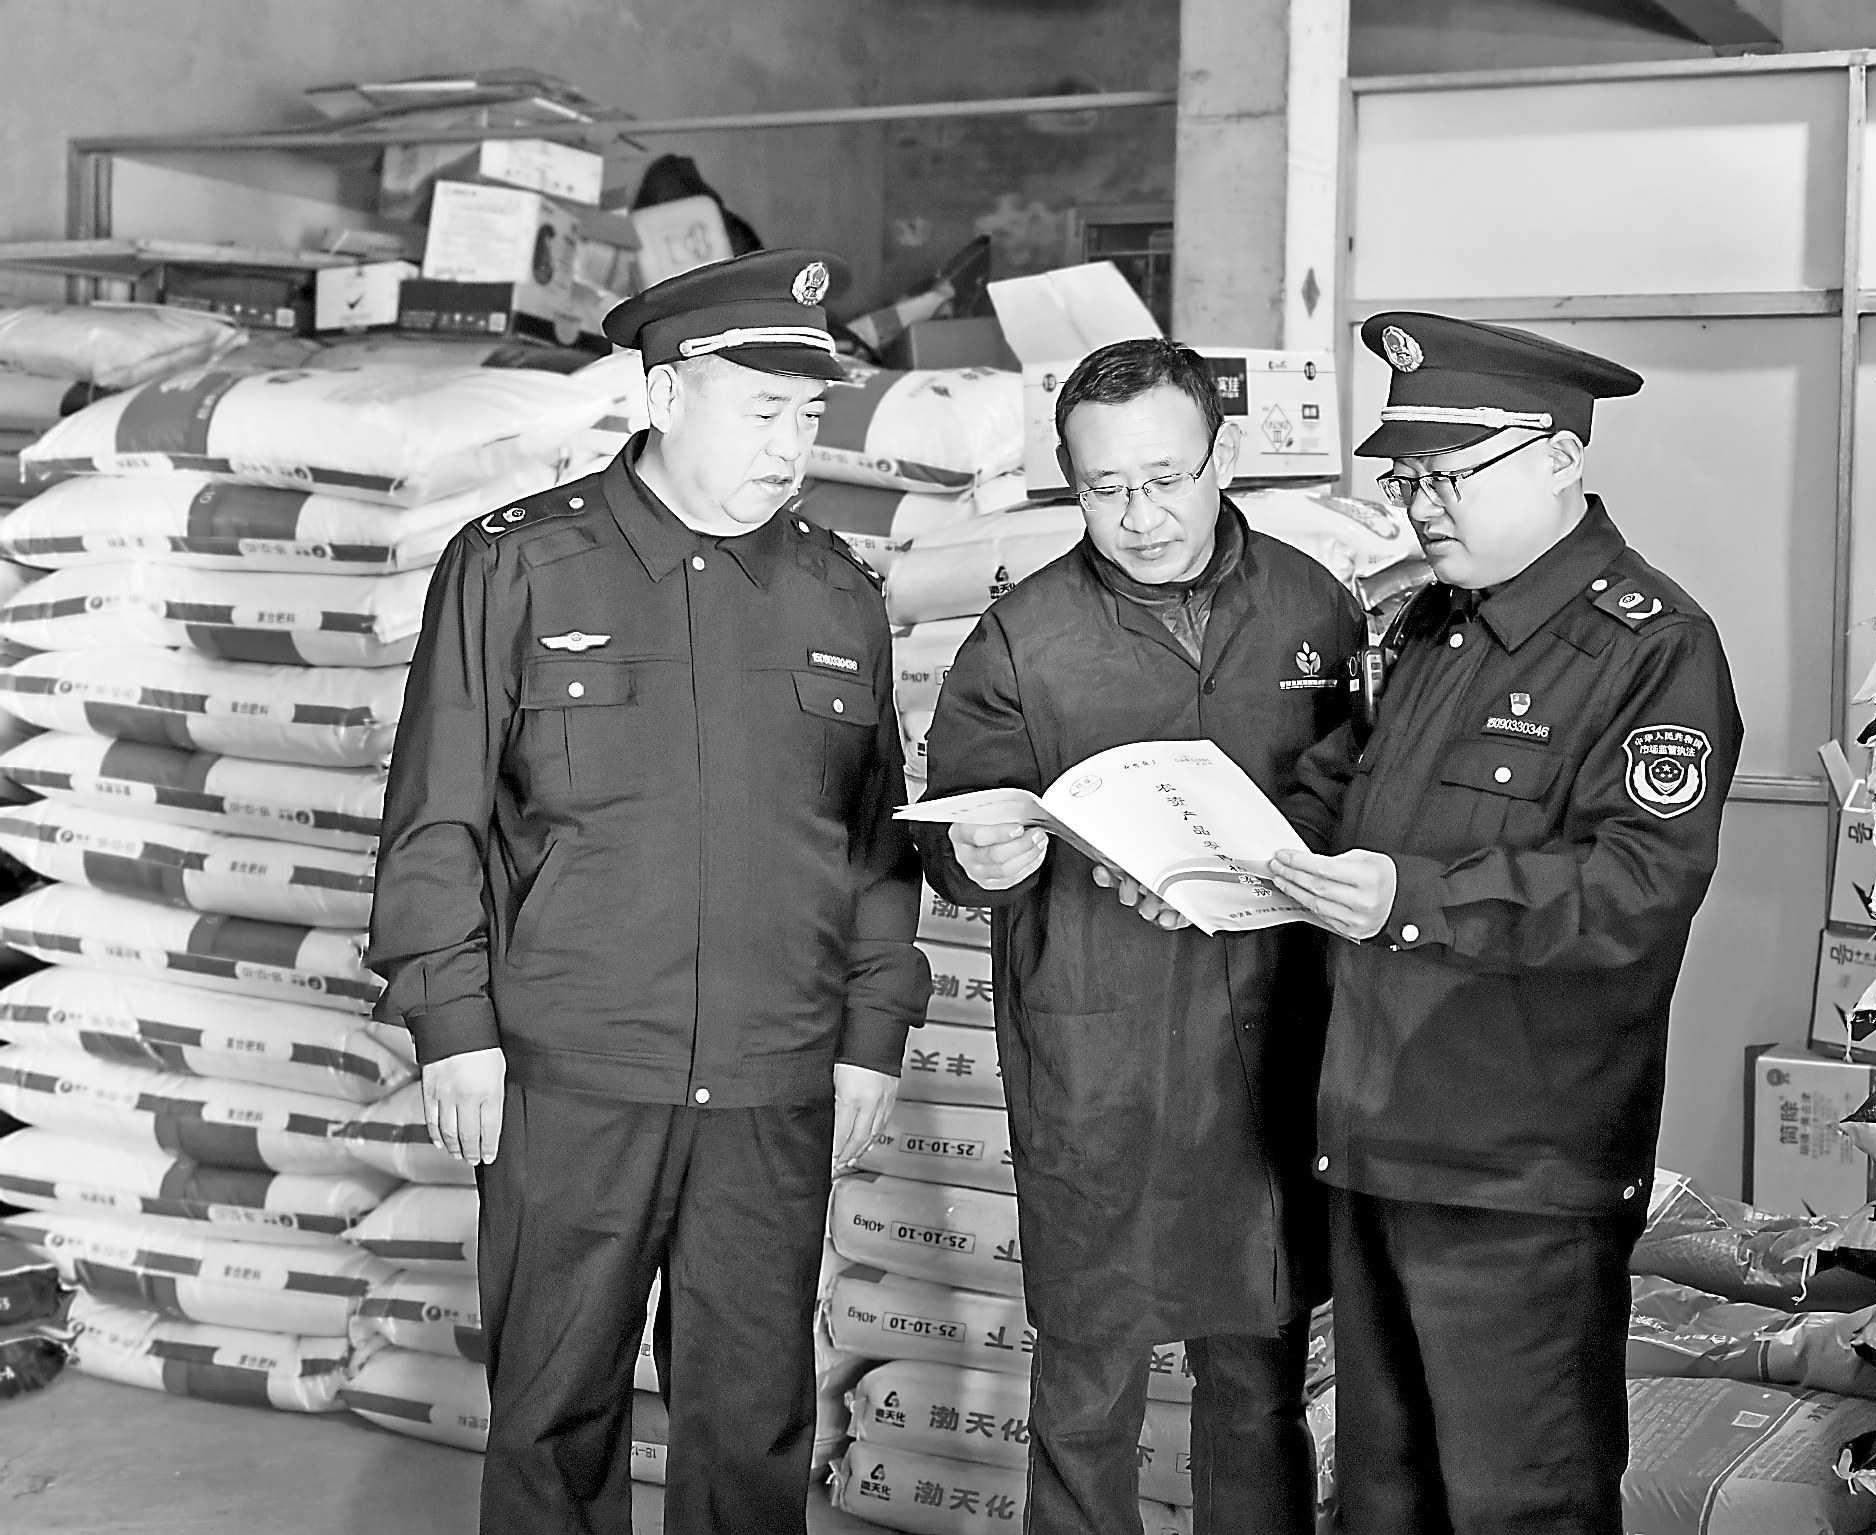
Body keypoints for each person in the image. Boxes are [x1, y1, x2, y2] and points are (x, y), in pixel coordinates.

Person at [365, 248, 930, 1535]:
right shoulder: (517, 563)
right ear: (667, 395)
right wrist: (452, 1025)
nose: (790, 446)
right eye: (762, 410)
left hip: (775, 1073)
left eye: (809, 415)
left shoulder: (839, 589)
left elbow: (873, 842)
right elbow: (436, 814)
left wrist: (871, 1033)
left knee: (754, 1420)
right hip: (570, 1069)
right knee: (553, 1408)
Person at [1265, 312, 1742, 1535]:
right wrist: (1207, 849)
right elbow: (1329, 794)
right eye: (1406, 479)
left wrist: (1409, 899)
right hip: (1375, 1135)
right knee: (1383, 1497)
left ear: (1559, 459)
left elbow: (1634, 888)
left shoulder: (1651, 648)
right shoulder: (1426, 630)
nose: (1421, 505)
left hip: (1517, 1166)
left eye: (1448, 475)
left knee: (1516, 1501)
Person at [916, 337, 1361, 1535]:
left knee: (1259, 1372)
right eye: (1105, 487)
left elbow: (1361, 786)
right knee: (1087, 1374)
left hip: (1272, 1033)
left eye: (1166, 478)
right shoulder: (1024, 637)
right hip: (1098, 1047)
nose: (1140, 515)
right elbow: (956, 821)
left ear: (1225, 456)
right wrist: (978, 857)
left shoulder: (1314, 605)